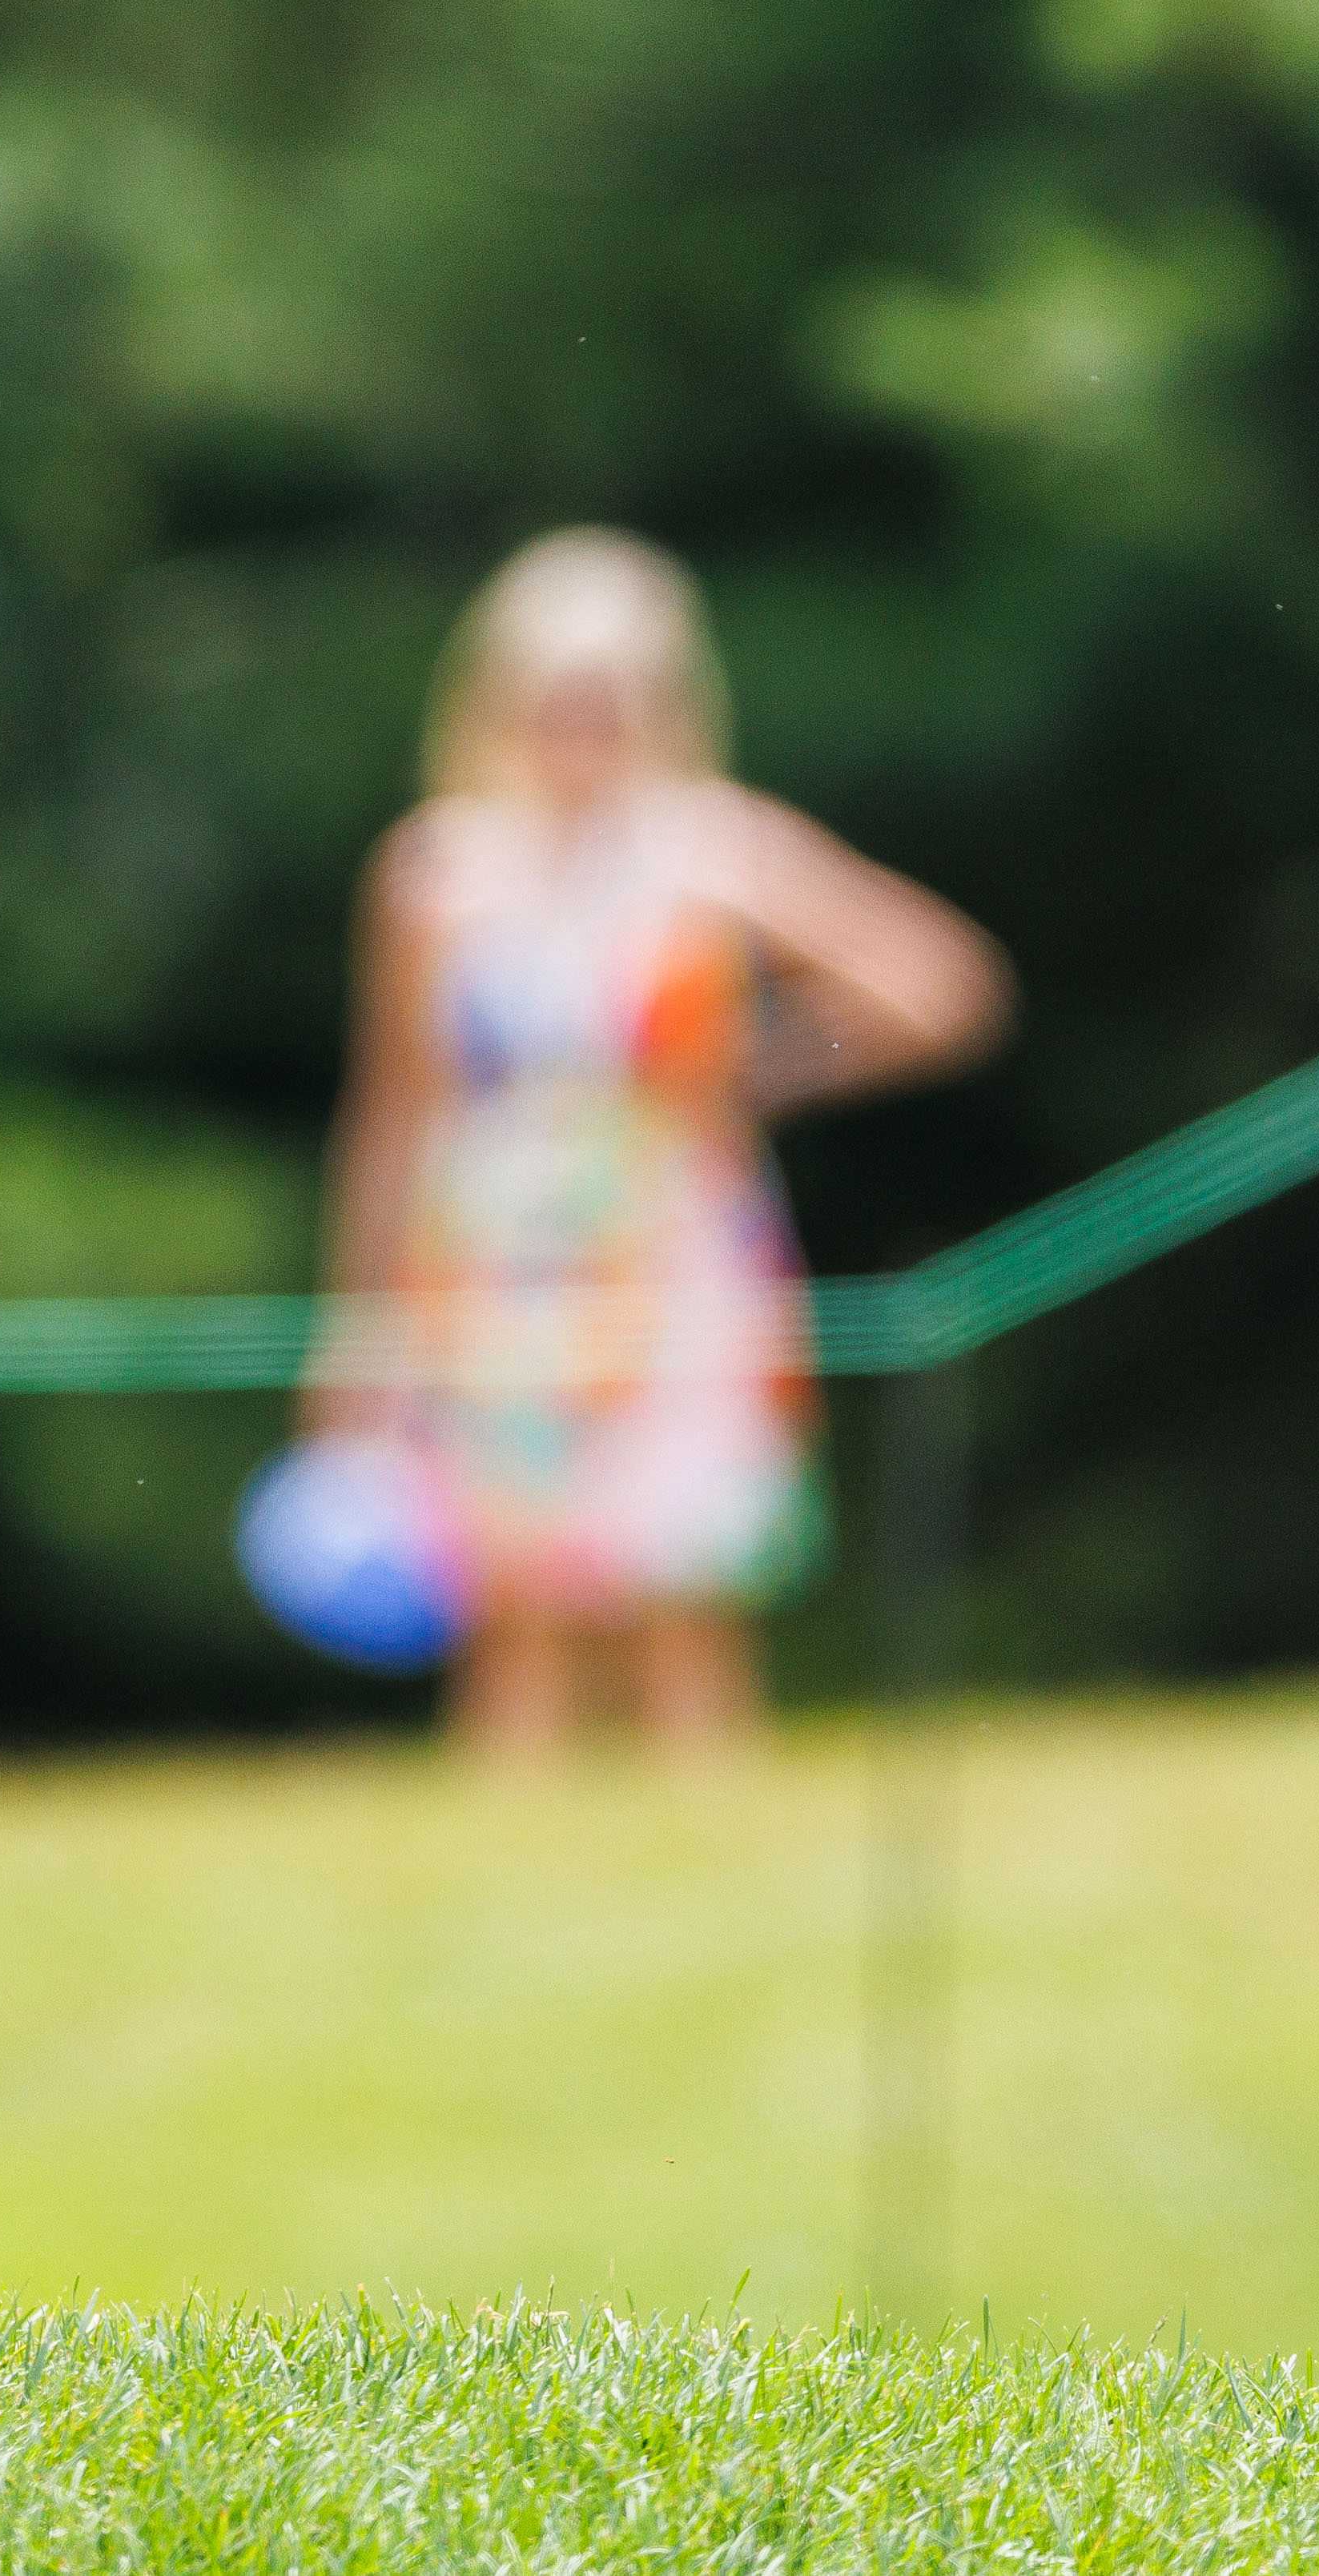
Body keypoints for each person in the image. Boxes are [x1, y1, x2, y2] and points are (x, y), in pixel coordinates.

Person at [304, 529, 1012, 1757]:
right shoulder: (437, 872)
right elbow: (391, 1116)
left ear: (666, 703)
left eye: (612, 701)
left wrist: (766, 1069)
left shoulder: (715, 849)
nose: (585, 731)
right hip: (492, 1267)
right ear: (500, 699)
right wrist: (355, 1330)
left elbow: (942, 986)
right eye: (558, 700)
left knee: (687, 1586)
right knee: (512, 1606)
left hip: (673, 1254)